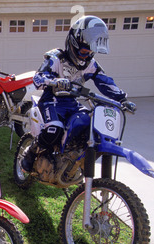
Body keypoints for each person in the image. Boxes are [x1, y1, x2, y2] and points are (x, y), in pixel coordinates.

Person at [21, 15, 136, 172]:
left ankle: (71, 159)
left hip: (72, 103)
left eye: (90, 52)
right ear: (73, 43)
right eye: (83, 51)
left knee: (90, 123)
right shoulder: (57, 58)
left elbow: (105, 81)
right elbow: (39, 77)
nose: (87, 56)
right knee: (54, 129)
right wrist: (54, 81)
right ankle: (31, 152)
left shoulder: (90, 64)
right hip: (51, 101)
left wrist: (122, 98)